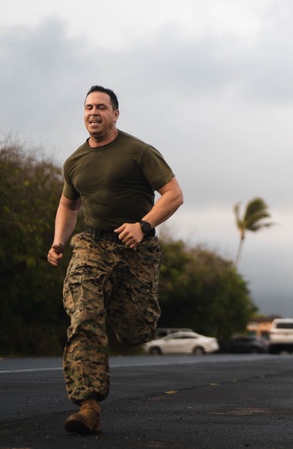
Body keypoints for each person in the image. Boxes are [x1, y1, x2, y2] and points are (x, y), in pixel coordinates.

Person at [46, 85, 184, 435]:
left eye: (101, 107)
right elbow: (68, 205)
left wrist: (143, 226)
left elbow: (174, 194)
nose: (94, 112)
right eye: (88, 107)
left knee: (137, 329)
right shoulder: (75, 162)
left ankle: (129, 315)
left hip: (136, 248)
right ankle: (88, 405)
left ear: (115, 114)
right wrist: (59, 240)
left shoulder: (138, 152)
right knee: (83, 315)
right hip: (91, 246)